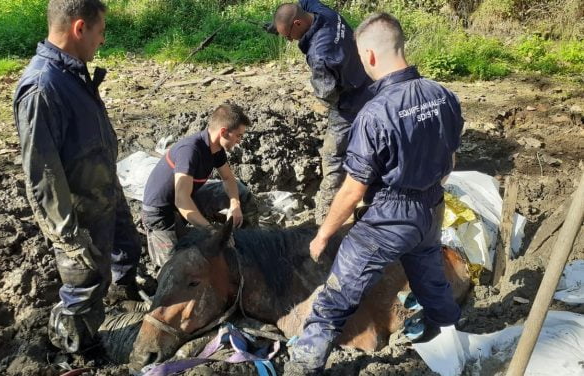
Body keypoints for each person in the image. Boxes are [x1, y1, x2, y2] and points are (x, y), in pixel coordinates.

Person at [284, 13, 465, 374]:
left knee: (338, 294)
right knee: (429, 275)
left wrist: (323, 235)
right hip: (431, 207)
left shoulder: (375, 113)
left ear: (367, 56)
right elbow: (451, 155)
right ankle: (451, 340)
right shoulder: (443, 95)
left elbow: (353, 188)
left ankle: (303, 364)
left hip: (389, 215)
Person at [13, 0, 142, 353]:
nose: (102, 41)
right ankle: (74, 349)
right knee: (84, 285)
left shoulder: (71, 72)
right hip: (80, 211)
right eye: (100, 32)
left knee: (125, 251)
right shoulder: (42, 86)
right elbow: (42, 174)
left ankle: (124, 298)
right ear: (79, 28)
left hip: (104, 191)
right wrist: (68, 236)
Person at [272, 0, 373, 224]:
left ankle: (325, 217)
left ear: (298, 23)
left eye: (289, 36)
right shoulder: (320, 12)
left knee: (333, 156)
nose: (289, 41)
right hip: (367, 78)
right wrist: (278, 26)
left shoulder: (320, 55)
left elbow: (327, 93)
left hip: (349, 102)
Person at [142, 103, 258, 267]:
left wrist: (235, 204)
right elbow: (181, 200)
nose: (239, 141)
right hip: (161, 212)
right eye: (238, 135)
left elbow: (229, 179)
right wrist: (210, 230)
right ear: (223, 132)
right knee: (175, 270)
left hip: (188, 199)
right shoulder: (190, 150)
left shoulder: (216, 149)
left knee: (241, 193)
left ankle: (247, 248)